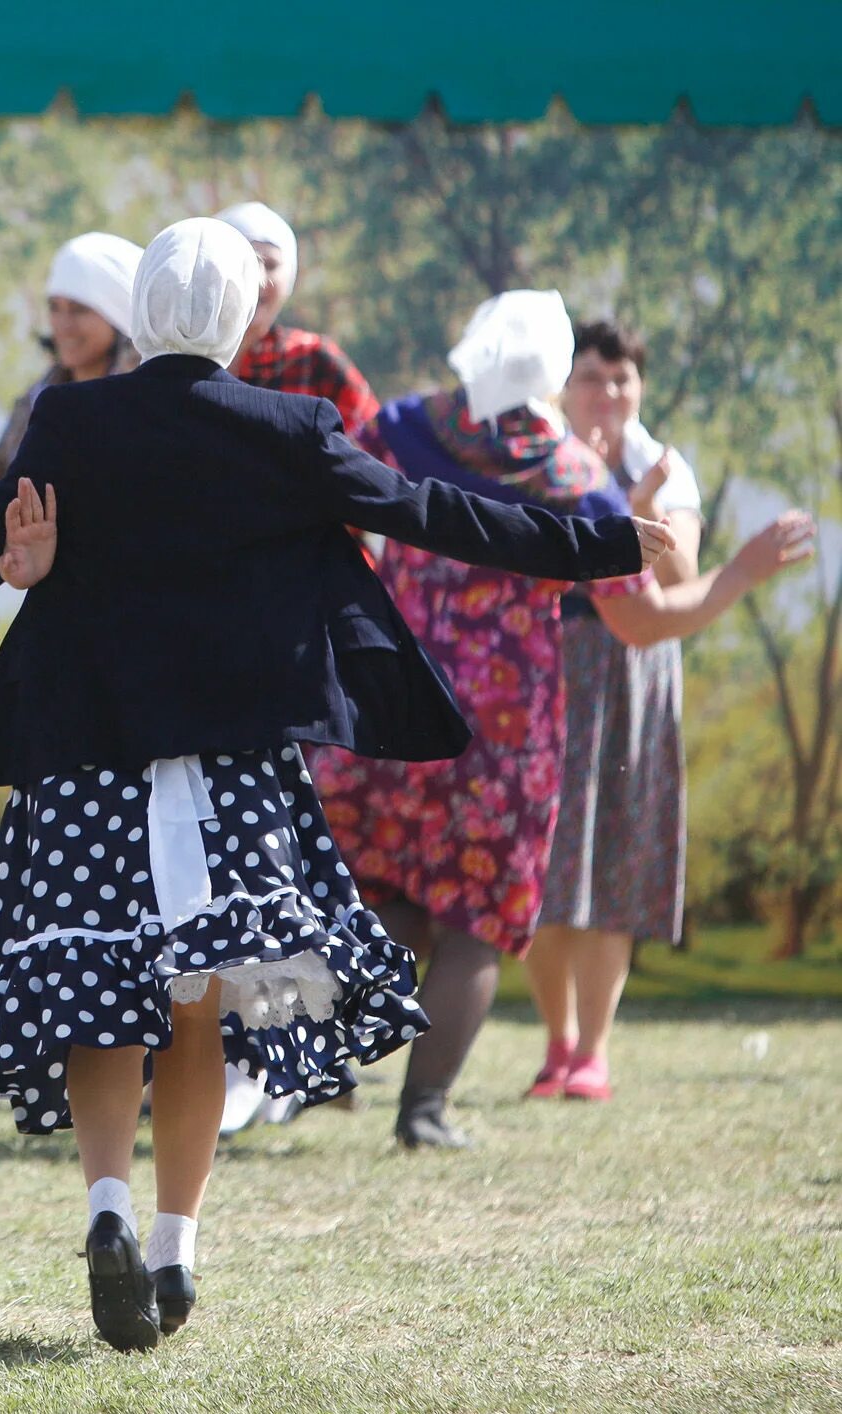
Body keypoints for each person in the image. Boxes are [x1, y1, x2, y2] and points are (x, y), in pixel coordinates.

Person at [0, 219, 670, 1352]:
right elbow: (434, 516)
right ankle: (176, 1251)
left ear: (142, 310)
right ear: (243, 320)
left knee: (101, 994)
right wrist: (610, 541)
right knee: (201, 1009)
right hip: (233, 771)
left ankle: (106, 1209)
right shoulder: (291, 426)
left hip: (88, 762)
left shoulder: (73, 418)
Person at [312, 291, 814, 1150]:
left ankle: (320, 1065)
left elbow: (326, 515)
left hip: (392, 701)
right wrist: (741, 575)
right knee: (473, 925)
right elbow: (640, 622)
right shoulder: (573, 477)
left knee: (381, 894)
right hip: (502, 729)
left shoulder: (399, 427)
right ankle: (423, 1112)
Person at [525, 319, 814, 1102]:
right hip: (549, 670)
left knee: (614, 851)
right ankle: (555, 1042)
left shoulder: (663, 466)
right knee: (542, 864)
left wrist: (637, 501)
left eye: (621, 380)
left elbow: (679, 571)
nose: (608, 393)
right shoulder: (538, 456)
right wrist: (606, 495)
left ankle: (594, 1052)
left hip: (634, 671)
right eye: (592, 377)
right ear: (563, 383)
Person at [218, 201, 382, 1131]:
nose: (260, 275)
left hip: (288, 633)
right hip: (200, 634)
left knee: (284, 849)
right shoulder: (174, 361)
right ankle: (243, 1056)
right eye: (242, 258)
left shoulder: (318, 367)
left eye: (272, 259)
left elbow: (363, 480)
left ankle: (292, 1055)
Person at [0, 232, 142, 504]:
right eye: (54, 307)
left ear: (118, 316)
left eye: (79, 309)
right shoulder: (35, 399)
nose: (63, 324)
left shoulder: (139, 404)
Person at [221, 202, 380, 438]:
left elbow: (374, 447)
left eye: (271, 265)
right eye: (244, 264)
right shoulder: (178, 353)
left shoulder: (313, 359)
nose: (258, 279)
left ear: (290, 277)